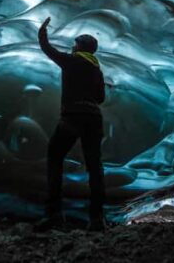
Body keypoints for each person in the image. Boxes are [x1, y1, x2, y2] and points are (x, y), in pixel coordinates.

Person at [35, 16, 107, 232]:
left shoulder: (71, 60)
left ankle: (54, 214)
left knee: (55, 157)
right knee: (95, 166)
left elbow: (47, 49)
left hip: (73, 116)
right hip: (94, 118)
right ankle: (97, 219)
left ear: (80, 47)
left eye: (75, 44)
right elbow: (101, 98)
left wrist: (42, 31)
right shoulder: (97, 69)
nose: (72, 47)